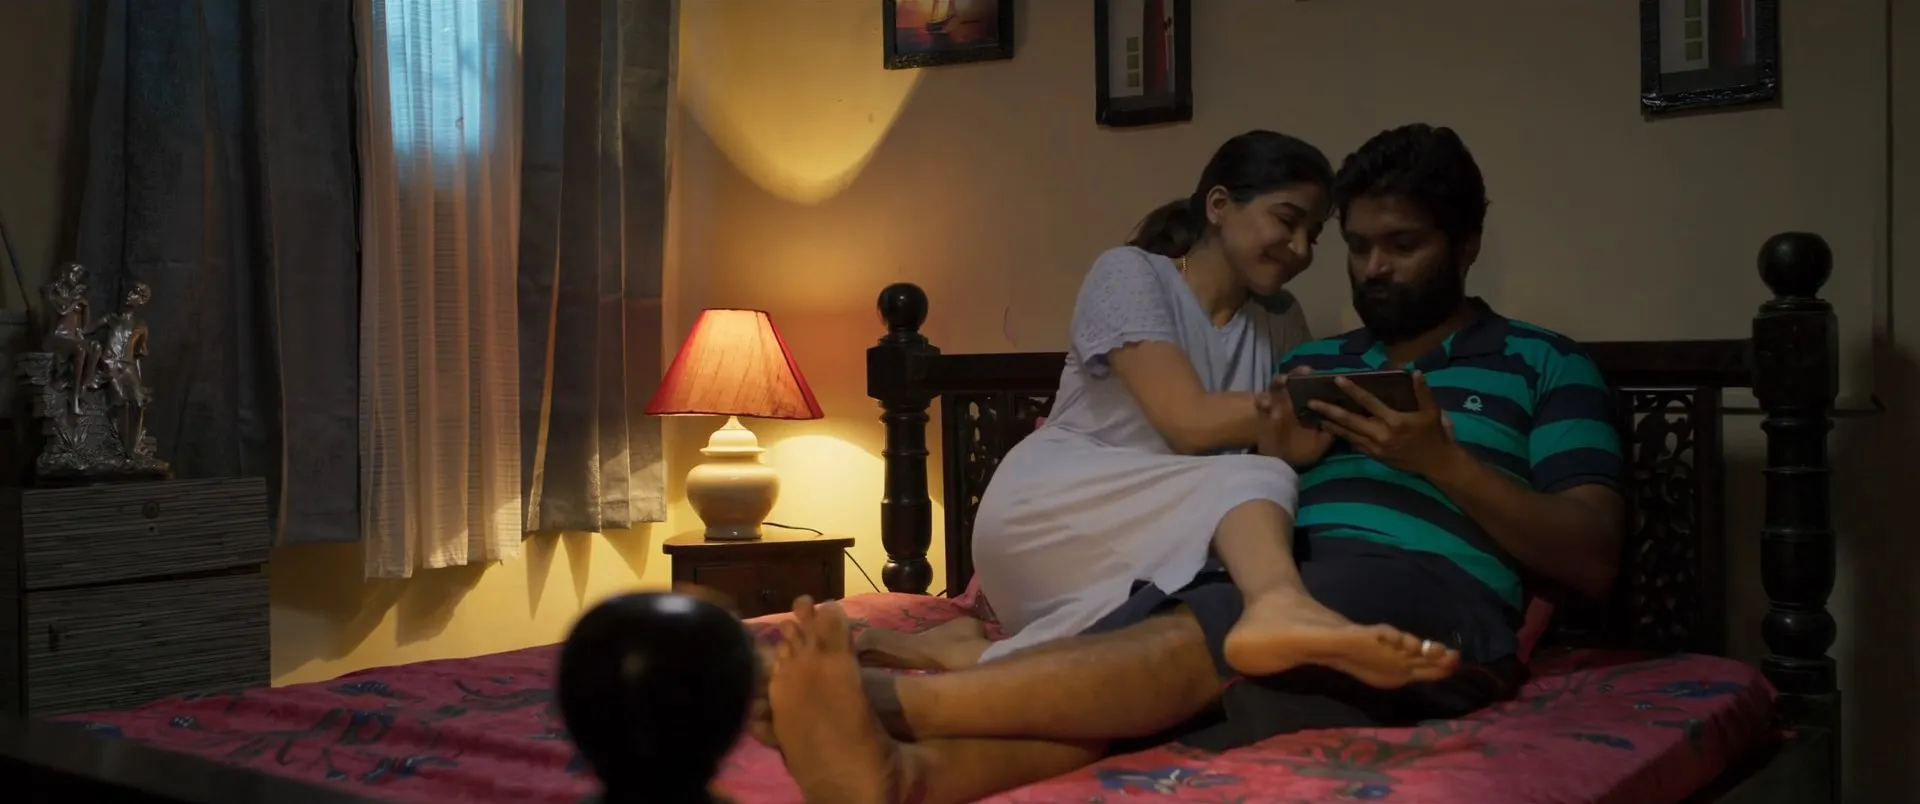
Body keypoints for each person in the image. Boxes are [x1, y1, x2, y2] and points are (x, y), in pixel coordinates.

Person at [762, 123, 1628, 804]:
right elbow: (1235, 468)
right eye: (1359, 244)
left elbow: (1591, 555)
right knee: (1141, 689)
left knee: (1191, 644)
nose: (1372, 268)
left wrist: (1442, 461)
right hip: (1258, 576)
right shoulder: (1312, 360)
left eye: (1401, 245)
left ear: (1467, 243)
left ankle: (885, 704)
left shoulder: (1542, 363)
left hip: (1423, 583)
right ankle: (900, 781)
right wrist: (1281, 450)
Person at [855, 129, 1455, 687]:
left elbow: (1274, 446)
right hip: (1050, 511)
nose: (1300, 249)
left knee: (1192, 598)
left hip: (1152, 531)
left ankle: (966, 652)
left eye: (1314, 236)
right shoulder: (1130, 274)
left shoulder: (1281, 320)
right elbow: (1188, 422)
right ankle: (1281, 605)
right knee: (1253, 487)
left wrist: (1302, 438)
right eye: (1287, 221)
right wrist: (1317, 405)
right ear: (1218, 205)